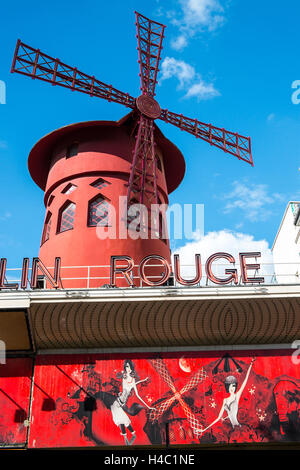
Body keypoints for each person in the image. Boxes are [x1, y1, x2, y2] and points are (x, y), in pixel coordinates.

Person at [200, 357, 255, 434]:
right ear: (227, 386)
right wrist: (204, 429)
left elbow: (245, 380)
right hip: (234, 430)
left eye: (234, 385)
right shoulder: (225, 400)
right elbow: (218, 418)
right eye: (230, 385)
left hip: (239, 428)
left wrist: (251, 364)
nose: (232, 388)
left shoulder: (237, 396)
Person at [110, 359, 155, 445]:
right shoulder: (125, 377)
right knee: (121, 420)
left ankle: (129, 437)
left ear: (132, 368)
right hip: (118, 402)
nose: (128, 368)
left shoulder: (133, 380)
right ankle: (128, 437)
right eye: (127, 366)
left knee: (122, 420)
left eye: (129, 366)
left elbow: (138, 394)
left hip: (121, 404)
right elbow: (122, 381)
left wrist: (148, 407)